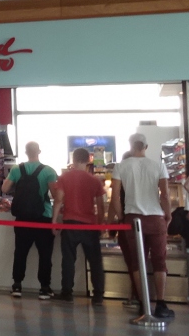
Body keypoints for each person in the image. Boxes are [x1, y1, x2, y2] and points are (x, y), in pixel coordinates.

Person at [110, 133, 173, 320]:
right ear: (146, 146)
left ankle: (144, 304)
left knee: (138, 261)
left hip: (132, 218)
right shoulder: (159, 166)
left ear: (131, 146)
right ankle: (161, 304)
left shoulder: (121, 166)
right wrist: (168, 215)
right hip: (156, 218)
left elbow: (114, 197)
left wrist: (122, 217)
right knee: (160, 260)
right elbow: (165, 195)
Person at [3, 142, 59, 299]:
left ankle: (17, 285)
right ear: (39, 151)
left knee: (20, 253)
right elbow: (56, 195)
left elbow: (4, 189)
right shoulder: (48, 171)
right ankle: (44, 288)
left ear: (26, 152)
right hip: (43, 217)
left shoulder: (16, 169)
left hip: (22, 218)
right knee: (45, 254)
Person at [53, 147, 106, 304]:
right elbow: (101, 206)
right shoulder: (94, 180)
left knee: (68, 259)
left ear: (73, 159)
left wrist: (54, 221)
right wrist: (101, 224)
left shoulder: (64, 177)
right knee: (95, 261)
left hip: (70, 223)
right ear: (89, 160)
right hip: (90, 225)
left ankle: (67, 292)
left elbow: (58, 200)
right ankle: (98, 295)